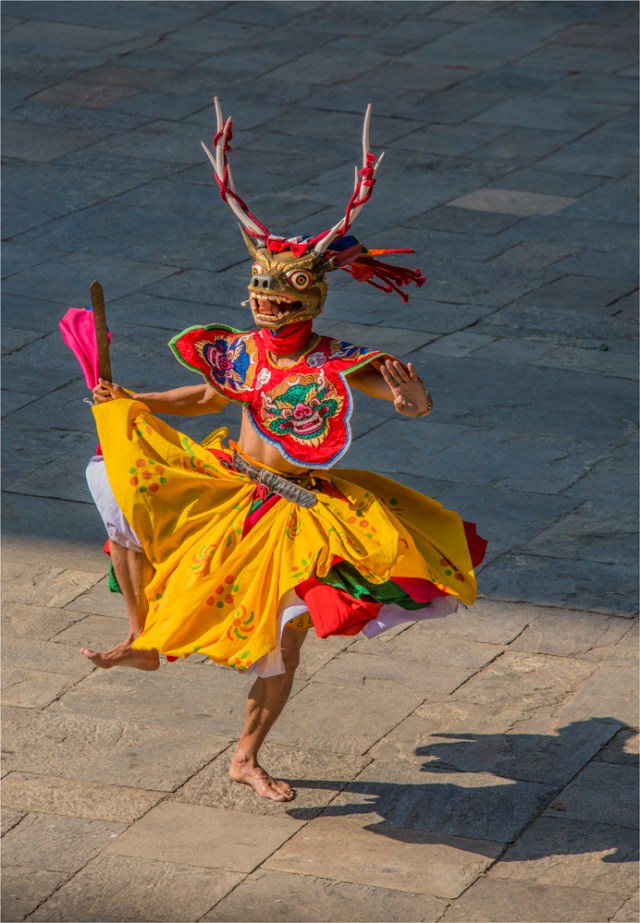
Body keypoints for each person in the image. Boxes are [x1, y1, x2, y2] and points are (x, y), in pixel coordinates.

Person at [78, 100, 486, 802]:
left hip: (297, 510)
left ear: (311, 303)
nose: (267, 310)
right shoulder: (239, 351)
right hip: (229, 484)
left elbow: (410, 404)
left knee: (284, 640)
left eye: (281, 302)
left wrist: (414, 400)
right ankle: (143, 636)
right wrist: (133, 401)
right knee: (114, 480)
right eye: (261, 300)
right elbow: (209, 399)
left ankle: (245, 755)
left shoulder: (340, 361)